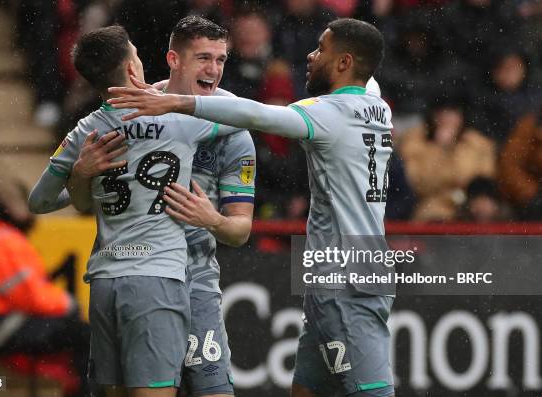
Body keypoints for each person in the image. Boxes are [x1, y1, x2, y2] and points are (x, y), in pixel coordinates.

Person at [108, 18, 395, 397]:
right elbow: (365, 72)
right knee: (307, 389)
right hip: (355, 268)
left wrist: (174, 101)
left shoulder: (328, 114)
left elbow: (259, 115)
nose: (310, 55)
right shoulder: (378, 106)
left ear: (344, 63)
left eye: (320, 48)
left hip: (344, 277)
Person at [28, 25, 242, 397]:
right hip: (155, 278)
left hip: (106, 280)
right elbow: (246, 114)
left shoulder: (85, 131)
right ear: (131, 70)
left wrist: (81, 175)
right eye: (139, 56)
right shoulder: (182, 122)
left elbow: (39, 201)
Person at [0, 170, 90, 397]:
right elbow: (32, 297)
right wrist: (70, 305)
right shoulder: (3, 241)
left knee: (72, 332)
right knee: (83, 335)